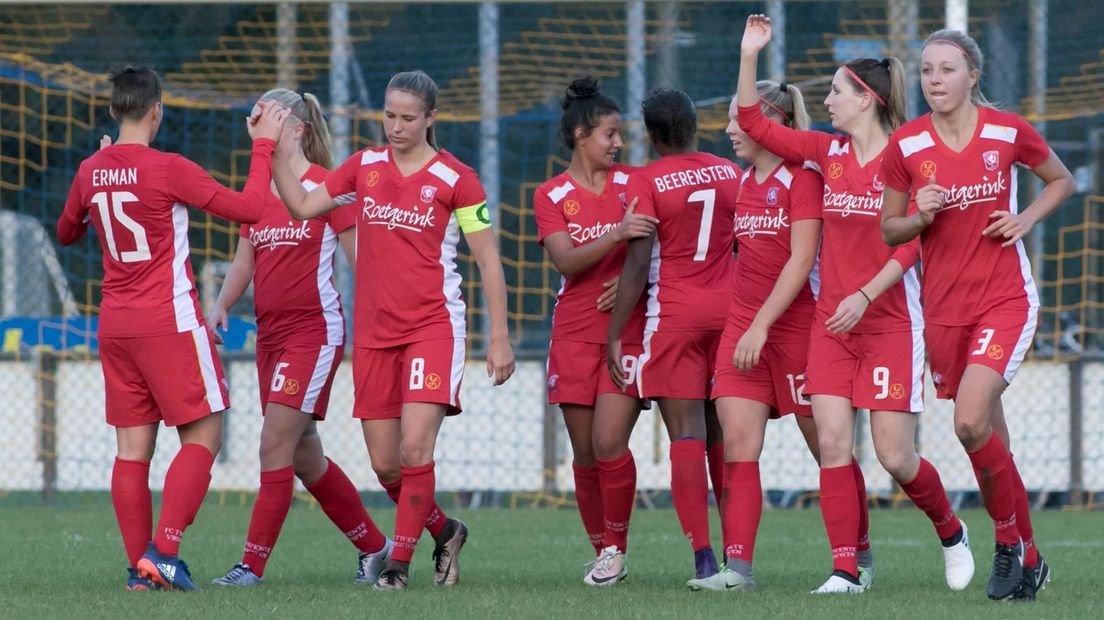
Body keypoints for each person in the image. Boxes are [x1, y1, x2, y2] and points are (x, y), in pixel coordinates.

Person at [735, 15, 976, 594]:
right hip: (831, 326)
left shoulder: (910, 154)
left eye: (836, 92)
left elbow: (914, 240)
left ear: (864, 100)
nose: (826, 101)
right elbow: (753, 122)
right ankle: (847, 569)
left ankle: (951, 531)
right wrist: (749, 55)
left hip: (890, 323)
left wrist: (867, 294)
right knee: (835, 446)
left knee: (895, 457)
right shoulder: (828, 153)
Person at [271, 70, 516, 592]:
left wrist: (500, 336)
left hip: (433, 327)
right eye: (389, 114)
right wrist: (271, 150)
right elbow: (302, 206)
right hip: (375, 335)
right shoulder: (363, 166)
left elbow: (490, 261)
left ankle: (397, 568)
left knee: (413, 451)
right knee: (386, 466)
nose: (396, 126)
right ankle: (446, 532)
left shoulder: (457, 179)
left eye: (408, 117)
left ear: (431, 118)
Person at [56, 65, 287, 591]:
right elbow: (250, 208)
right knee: (205, 433)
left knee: (132, 451)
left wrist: (97, 170)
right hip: (169, 321)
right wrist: (264, 147)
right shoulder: (168, 168)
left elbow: (67, 231)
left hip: (115, 326)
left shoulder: (92, 168)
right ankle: (164, 553)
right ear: (157, 109)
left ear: (114, 111)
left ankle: (140, 569)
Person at [881, 29, 1074, 601]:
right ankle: (1031, 560)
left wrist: (1026, 219)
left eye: (946, 69)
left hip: (1004, 299)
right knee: (989, 439)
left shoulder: (1008, 131)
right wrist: (918, 216)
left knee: (968, 422)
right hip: (943, 310)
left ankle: (1009, 543)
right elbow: (889, 229)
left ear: (972, 77)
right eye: (926, 71)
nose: (934, 80)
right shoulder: (908, 146)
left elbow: (1060, 180)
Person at [207, 89, 392, 587]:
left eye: (262, 116)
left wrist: (384, 319)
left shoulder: (325, 187)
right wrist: (222, 304)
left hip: (314, 333)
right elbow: (246, 258)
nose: (252, 123)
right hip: (272, 337)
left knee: (273, 447)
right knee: (306, 457)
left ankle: (251, 567)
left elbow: (364, 264)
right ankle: (377, 549)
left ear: (294, 126)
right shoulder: (259, 187)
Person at [687, 79, 824, 593]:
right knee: (739, 447)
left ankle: (856, 560)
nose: (728, 129)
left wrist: (763, 325)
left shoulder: (803, 179)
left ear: (772, 124)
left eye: (737, 120)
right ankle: (737, 571)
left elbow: (802, 259)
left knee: (826, 449)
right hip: (743, 331)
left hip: (795, 332)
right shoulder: (742, 182)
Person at [607, 87, 741, 585]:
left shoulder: (646, 180)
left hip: (676, 318)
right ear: (693, 124)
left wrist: (616, 333)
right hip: (730, 314)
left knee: (687, 434)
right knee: (723, 438)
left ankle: (704, 556)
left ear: (653, 134)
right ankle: (738, 554)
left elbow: (639, 262)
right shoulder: (730, 171)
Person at [533, 76, 656, 586]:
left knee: (609, 442)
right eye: (610, 133)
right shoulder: (550, 194)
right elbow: (566, 261)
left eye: (620, 134)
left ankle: (617, 548)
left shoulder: (636, 184)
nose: (619, 143)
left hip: (626, 335)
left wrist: (630, 289)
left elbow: (653, 255)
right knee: (584, 454)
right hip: (573, 335)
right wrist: (616, 233)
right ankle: (604, 551)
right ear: (583, 134)